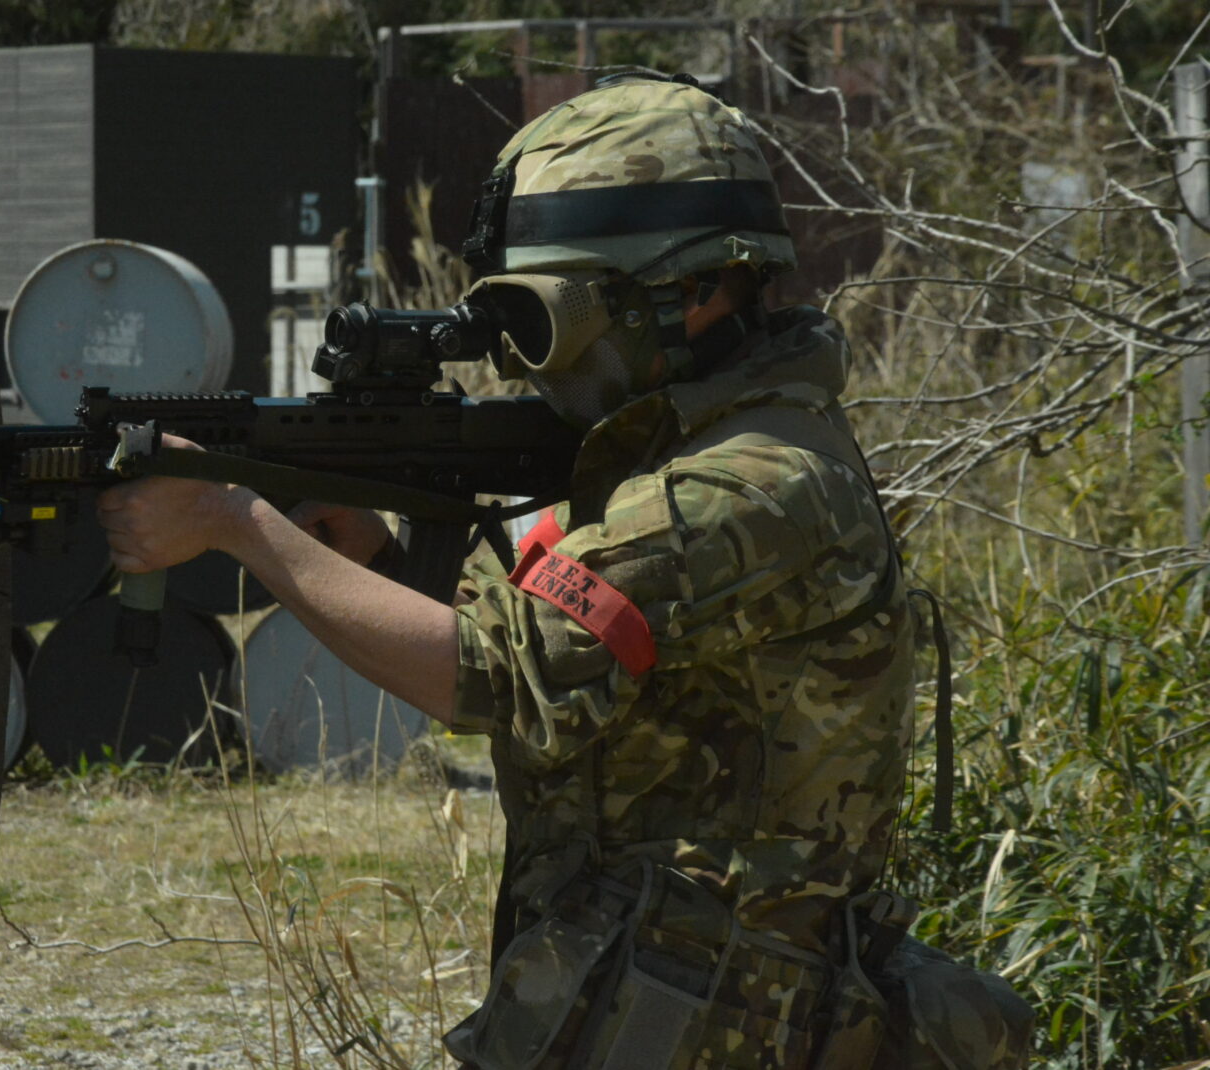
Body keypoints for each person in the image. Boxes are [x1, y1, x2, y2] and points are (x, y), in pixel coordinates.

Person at [97, 75, 1030, 1068]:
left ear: (698, 291)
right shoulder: (694, 451)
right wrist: (379, 558)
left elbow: (491, 678)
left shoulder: (744, 486)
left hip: (715, 1020)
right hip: (664, 994)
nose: (527, 364)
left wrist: (232, 520)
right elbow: (576, 664)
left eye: (550, 318)